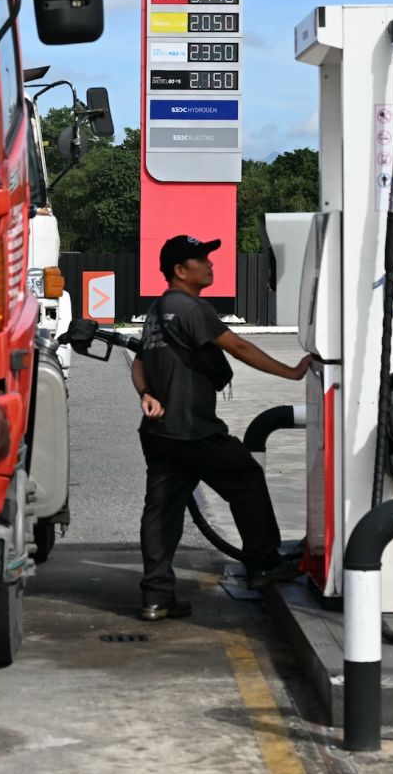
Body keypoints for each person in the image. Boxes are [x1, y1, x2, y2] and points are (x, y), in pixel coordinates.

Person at [132, 234, 311, 621]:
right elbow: (239, 348)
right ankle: (263, 563)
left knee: (162, 513)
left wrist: (146, 393)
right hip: (195, 430)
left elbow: (139, 362)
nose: (210, 265)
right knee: (246, 478)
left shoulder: (156, 310)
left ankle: (156, 596)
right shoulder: (192, 308)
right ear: (180, 271)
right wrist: (292, 372)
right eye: (202, 260)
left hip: (160, 432)